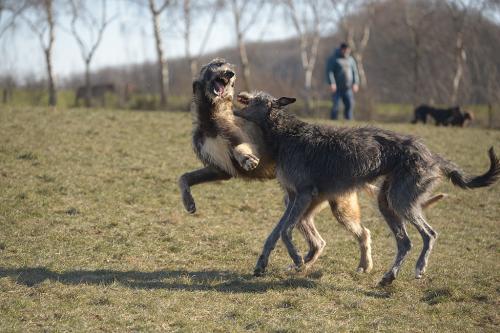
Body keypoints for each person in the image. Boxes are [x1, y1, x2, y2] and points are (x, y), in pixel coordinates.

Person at [325, 42, 360, 120]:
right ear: (341, 49)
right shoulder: (334, 59)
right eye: (345, 50)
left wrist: (356, 83)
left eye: (348, 50)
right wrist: (332, 83)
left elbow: (355, 72)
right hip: (337, 87)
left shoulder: (351, 59)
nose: (346, 52)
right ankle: (333, 122)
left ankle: (348, 121)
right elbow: (329, 71)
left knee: (350, 105)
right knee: (336, 106)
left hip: (348, 87)